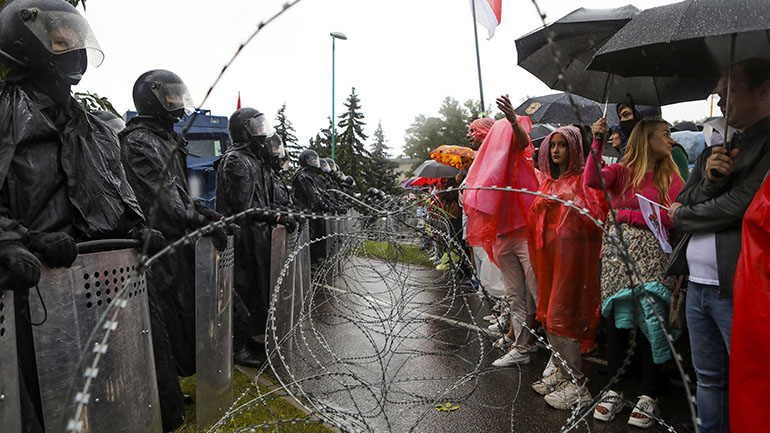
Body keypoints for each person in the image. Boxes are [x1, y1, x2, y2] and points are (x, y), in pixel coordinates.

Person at [0, 0, 171, 430]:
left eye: (76, 39)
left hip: (96, 282)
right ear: (25, 42)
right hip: (31, 293)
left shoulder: (93, 127)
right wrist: (16, 240)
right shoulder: (5, 115)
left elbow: (116, 190)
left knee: (109, 391)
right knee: (43, 402)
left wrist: (137, 228)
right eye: (61, 40)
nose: (74, 49)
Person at [667, 58, 770, 433]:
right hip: (698, 285)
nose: (721, 100)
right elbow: (685, 196)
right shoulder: (722, 143)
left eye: (730, 91)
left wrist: (682, 217)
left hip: (739, 288)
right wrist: (711, 179)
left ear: (763, 91)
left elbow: (741, 206)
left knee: (750, 381)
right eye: (718, 92)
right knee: (708, 379)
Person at [120, 69, 229, 378]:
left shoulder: (165, 139)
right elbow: (163, 198)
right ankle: (161, 389)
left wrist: (203, 210)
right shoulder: (140, 141)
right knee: (165, 323)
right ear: (152, 99)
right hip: (158, 248)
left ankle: (172, 383)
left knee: (182, 320)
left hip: (175, 244)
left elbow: (179, 192)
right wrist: (198, 219)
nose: (177, 101)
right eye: (170, 96)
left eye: (178, 95)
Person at [586, 117, 684, 428]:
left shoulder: (671, 177)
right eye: (664, 134)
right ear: (646, 139)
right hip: (618, 260)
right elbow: (592, 179)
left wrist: (628, 215)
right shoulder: (621, 172)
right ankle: (614, 390)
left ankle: (649, 394)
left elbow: (675, 218)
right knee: (618, 322)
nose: (670, 140)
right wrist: (597, 141)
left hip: (654, 261)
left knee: (651, 322)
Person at [527, 126, 607, 410]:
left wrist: (570, 202)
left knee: (562, 315)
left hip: (572, 258)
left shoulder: (583, 180)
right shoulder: (549, 181)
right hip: (549, 257)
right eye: (553, 145)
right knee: (548, 315)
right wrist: (540, 206)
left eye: (562, 145)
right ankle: (563, 372)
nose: (556, 150)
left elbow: (597, 216)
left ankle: (577, 383)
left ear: (574, 148)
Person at [464, 95, 540, 366]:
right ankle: (522, 347)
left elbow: (523, 142)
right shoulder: (484, 165)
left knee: (538, 293)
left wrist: (511, 120)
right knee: (515, 294)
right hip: (503, 234)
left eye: (474, 131)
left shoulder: (513, 148)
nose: (470, 136)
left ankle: (560, 358)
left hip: (524, 232)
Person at [217, 107, 295, 367]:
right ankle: (236, 346)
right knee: (241, 289)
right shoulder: (235, 160)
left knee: (255, 291)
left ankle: (248, 336)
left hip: (257, 235)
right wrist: (275, 217)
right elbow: (245, 206)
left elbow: (266, 200)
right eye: (257, 126)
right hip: (241, 237)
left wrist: (278, 214)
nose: (262, 132)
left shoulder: (255, 160)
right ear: (244, 130)